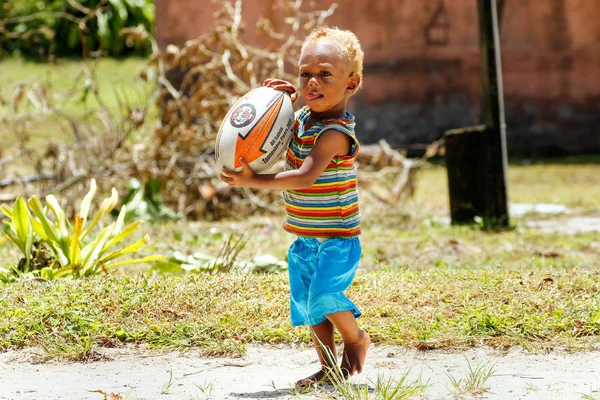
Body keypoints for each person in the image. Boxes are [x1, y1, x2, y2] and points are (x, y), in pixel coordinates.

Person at [220, 26, 370, 387]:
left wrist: (250, 181)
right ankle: (327, 368)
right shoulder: (301, 119)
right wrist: (273, 103)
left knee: (324, 296)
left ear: (351, 84)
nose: (312, 82)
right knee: (309, 306)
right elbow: (267, 138)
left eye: (324, 75)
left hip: (338, 239)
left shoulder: (335, 132)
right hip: (304, 239)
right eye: (305, 74)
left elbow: (305, 177)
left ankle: (356, 338)